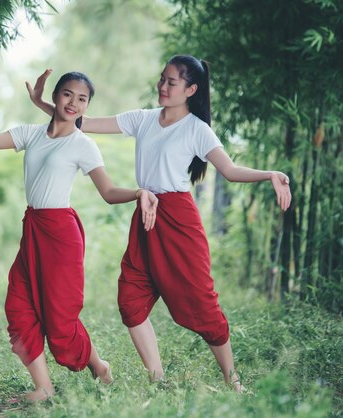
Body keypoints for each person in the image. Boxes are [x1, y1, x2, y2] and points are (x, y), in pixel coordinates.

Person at [26, 56, 292, 392]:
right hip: (146, 212)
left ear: (191, 90)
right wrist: (42, 103)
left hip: (179, 219)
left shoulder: (197, 129)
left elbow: (231, 170)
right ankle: (158, 380)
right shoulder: (144, 119)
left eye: (172, 82)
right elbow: (82, 120)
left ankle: (232, 380)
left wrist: (269, 174)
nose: (163, 87)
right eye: (162, 79)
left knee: (200, 300)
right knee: (130, 300)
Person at [0, 72, 159, 401]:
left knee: (61, 323)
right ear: (55, 96)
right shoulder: (31, 134)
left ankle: (100, 367)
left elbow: (108, 191)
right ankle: (44, 388)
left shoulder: (83, 145)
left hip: (62, 236)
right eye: (68, 94)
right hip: (34, 229)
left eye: (82, 99)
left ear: (87, 106)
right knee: (19, 306)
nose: (74, 103)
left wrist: (139, 192)